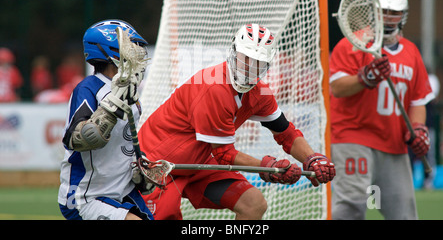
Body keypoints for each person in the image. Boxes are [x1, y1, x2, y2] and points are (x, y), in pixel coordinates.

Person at [138, 23, 335, 220]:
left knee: (253, 203)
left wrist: (312, 158)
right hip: (159, 164)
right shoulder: (214, 86)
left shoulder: (261, 92)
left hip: (197, 161)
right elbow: (224, 154)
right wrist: (270, 166)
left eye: (257, 62)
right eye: (245, 59)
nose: (249, 68)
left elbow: (286, 133)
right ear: (233, 53)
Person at [329, 0, 435, 220]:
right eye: (383, 10)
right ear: (373, 11)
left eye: (394, 12)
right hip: (354, 136)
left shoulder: (412, 52)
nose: (388, 17)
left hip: (393, 143)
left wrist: (417, 129)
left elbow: (418, 100)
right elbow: (336, 87)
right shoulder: (352, 43)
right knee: (351, 205)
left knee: (404, 213)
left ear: (403, 15)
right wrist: (364, 77)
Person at [58, 19, 154, 220]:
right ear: (110, 52)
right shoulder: (89, 88)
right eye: (130, 47)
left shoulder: (130, 89)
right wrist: (110, 110)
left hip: (123, 191)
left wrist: (138, 162)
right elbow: (76, 139)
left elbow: (123, 140)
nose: (137, 52)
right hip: (87, 195)